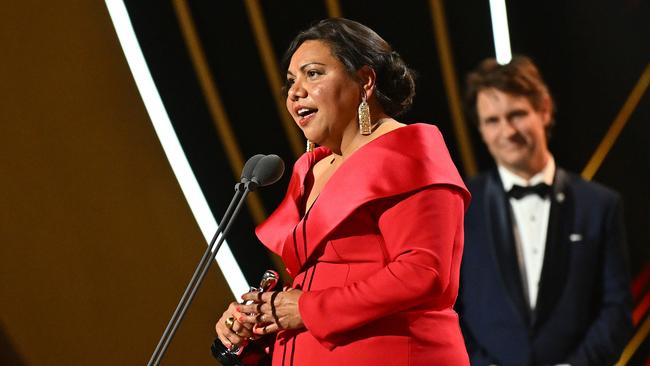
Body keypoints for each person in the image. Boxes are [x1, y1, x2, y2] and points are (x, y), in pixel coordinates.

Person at [214, 18, 471, 365]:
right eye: (291, 81)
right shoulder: (311, 170)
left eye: (313, 73)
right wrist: (262, 314)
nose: (295, 91)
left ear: (364, 81)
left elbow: (423, 271)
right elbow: (330, 277)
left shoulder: (409, 151)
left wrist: (305, 308)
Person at [456, 56, 633, 366]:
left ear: (545, 110)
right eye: (492, 121)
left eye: (517, 114)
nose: (507, 131)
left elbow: (616, 309)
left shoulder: (600, 205)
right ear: (481, 130)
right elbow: (448, 309)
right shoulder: (460, 205)